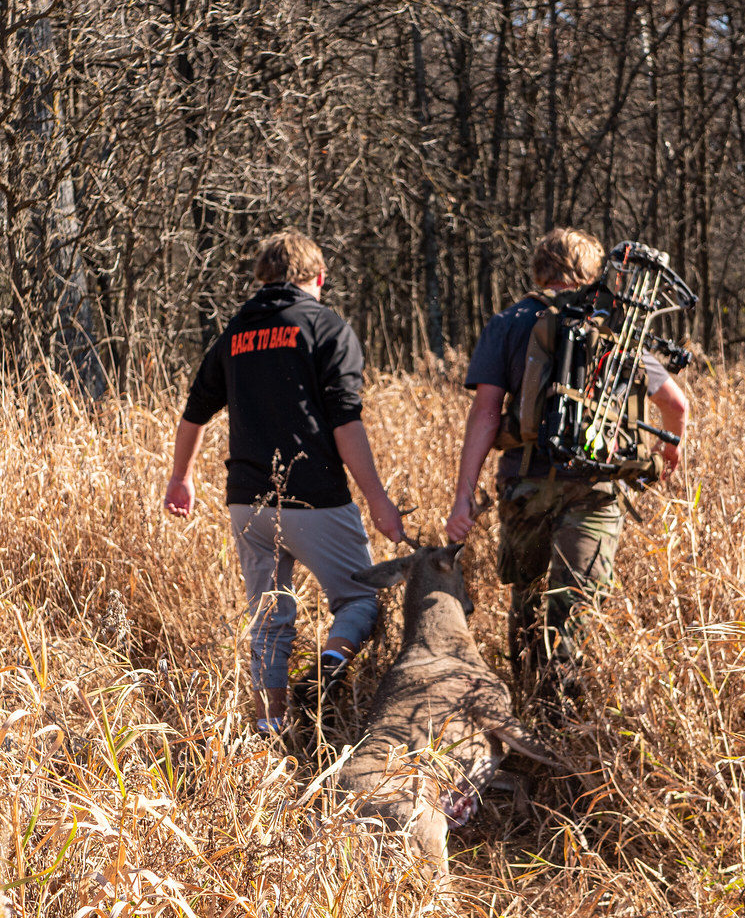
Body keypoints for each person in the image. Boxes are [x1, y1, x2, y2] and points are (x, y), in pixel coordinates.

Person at [164, 229, 404, 736]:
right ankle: (327, 667)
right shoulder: (325, 326)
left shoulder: (235, 333)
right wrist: (378, 501)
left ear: (264, 279)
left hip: (246, 503)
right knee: (359, 601)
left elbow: (194, 412)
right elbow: (345, 422)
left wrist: (180, 478)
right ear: (316, 278)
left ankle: (271, 730)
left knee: (270, 619)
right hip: (314, 498)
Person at [445, 228, 688, 701]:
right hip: (594, 491)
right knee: (573, 613)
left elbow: (486, 412)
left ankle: (528, 717)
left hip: (524, 486)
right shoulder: (616, 324)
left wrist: (463, 495)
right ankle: (566, 730)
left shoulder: (510, 322)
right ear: (594, 272)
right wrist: (668, 452)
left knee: (528, 604)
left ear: (539, 269)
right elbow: (675, 405)